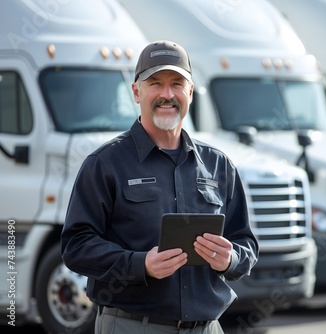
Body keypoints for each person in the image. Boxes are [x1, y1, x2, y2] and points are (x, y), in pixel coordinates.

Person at [61, 40, 259, 334]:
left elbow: (246, 242)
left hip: (208, 328)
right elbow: (76, 246)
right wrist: (140, 264)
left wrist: (231, 259)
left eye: (177, 84)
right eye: (155, 83)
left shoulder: (219, 165)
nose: (167, 94)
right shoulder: (104, 163)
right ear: (136, 91)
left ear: (190, 92)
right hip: (132, 326)